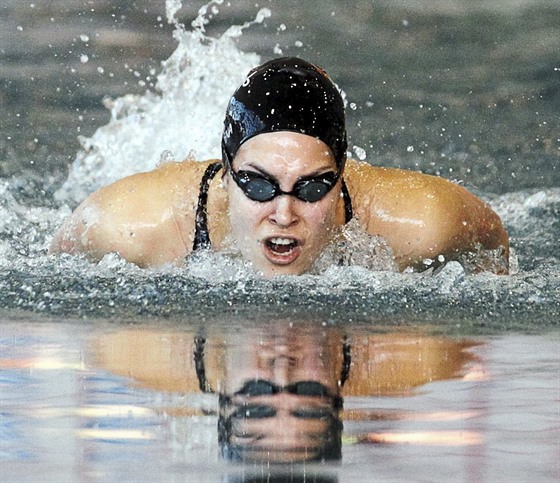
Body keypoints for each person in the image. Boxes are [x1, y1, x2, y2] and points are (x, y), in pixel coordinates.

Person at [49, 57, 510, 277]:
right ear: (228, 172)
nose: (284, 214)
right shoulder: (132, 224)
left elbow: (492, 243)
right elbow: (54, 268)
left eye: (311, 188)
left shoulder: (420, 220)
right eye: (259, 185)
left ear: (342, 175)